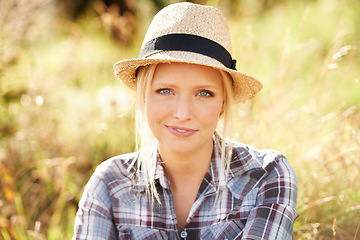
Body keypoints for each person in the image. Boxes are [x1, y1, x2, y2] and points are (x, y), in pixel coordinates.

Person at [73, 2, 298, 239]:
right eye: (165, 90)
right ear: (143, 95)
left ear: (223, 102)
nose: (182, 113)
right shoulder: (109, 184)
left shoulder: (265, 176)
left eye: (204, 93)